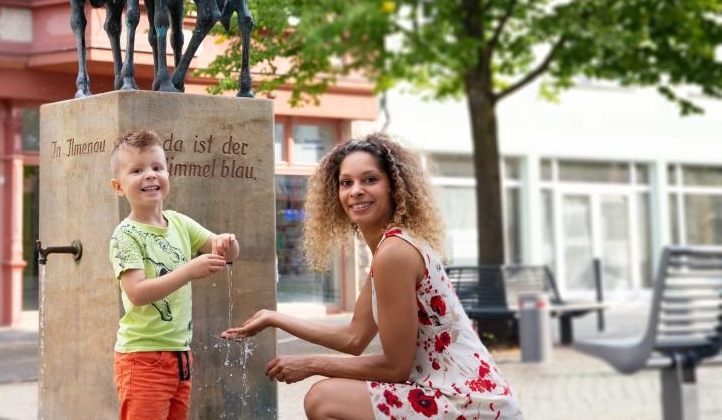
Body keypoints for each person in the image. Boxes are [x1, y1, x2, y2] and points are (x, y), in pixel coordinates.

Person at [222, 133, 522, 419]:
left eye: (370, 180)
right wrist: (275, 318)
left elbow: (396, 368)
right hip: (459, 395)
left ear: (394, 186)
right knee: (327, 397)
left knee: (323, 399)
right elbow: (354, 337)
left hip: (468, 403)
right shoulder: (390, 247)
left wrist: (310, 364)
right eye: (346, 182)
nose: (355, 191)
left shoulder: (395, 252)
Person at [108, 129, 240, 420]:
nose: (150, 175)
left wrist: (226, 242)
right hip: (142, 359)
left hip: (179, 355)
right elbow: (137, 293)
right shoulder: (126, 235)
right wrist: (188, 271)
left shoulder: (180, 223)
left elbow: (227, 254)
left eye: (157, 167)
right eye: (137, 170)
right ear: (119, 187)